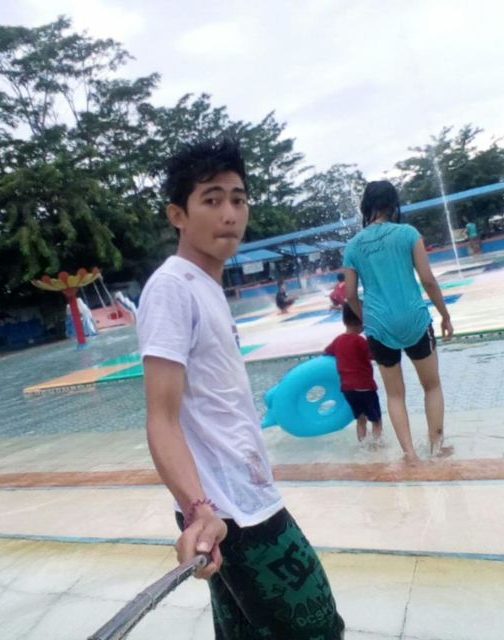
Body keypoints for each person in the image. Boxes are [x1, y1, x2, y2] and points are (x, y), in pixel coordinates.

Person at [137, 138, 345, 639]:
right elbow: (160, 417)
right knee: (318, 628)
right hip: (231, 512)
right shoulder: (172, 287)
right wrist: (198, 510)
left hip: (233, 503)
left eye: (238, 199)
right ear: (177, 215)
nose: (230, 213)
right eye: (211, 200)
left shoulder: (205, 286)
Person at [343, 180, 454, 463]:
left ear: (366, 206)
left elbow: (350, 294)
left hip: (379, 326)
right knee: (431, 386)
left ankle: (410, 455)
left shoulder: (353, 246)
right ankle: (436, 447)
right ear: (393, 204)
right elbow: (428, 280)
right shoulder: (408, 233)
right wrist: (445, 314)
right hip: (414, 319)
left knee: (395, 395)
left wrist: (366, 318)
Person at [325, 303, 382, 443]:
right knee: (376, 420)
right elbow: (375, 356)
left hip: (348, 389)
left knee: (361, 419)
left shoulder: (338, 340)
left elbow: (327, 352)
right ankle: (377, 447)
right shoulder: (360, 341)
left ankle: (362, 445)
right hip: (365, 387)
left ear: (344, 320)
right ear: (362, 320)